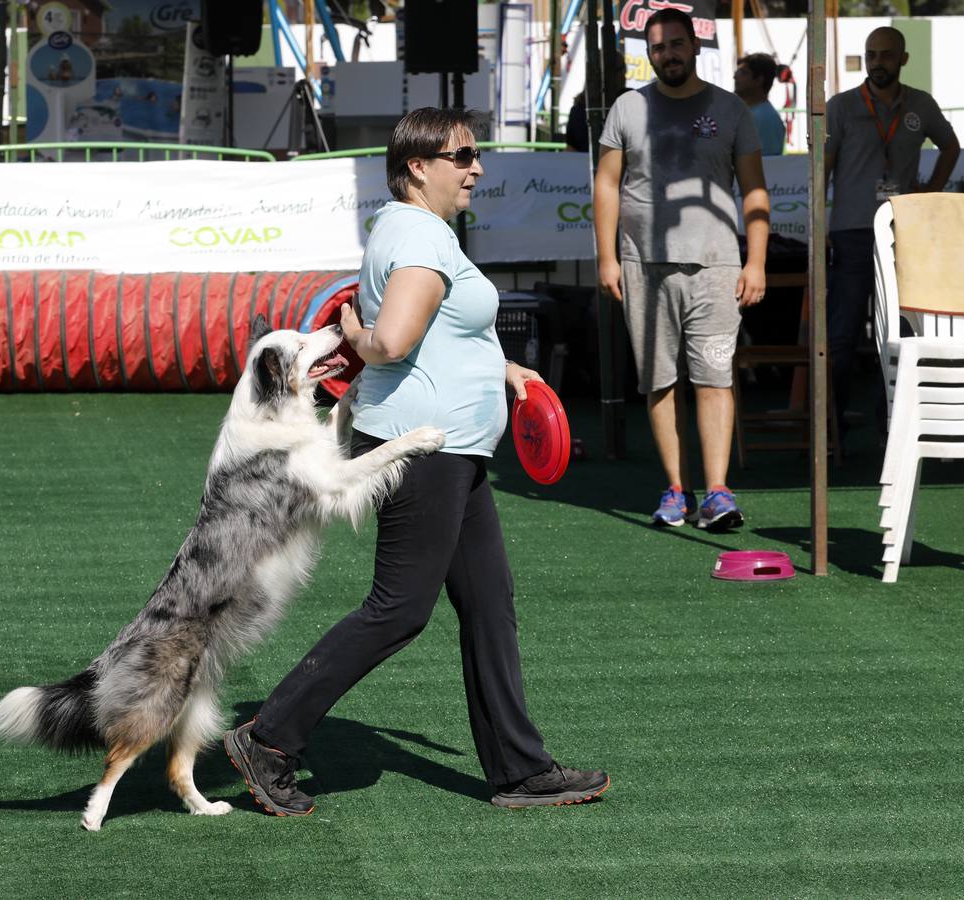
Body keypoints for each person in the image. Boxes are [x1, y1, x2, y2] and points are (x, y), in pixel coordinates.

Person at [224, 106, 609, 816]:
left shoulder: (417, 233)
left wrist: (507, 374)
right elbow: (393, 342)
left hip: (453, 448)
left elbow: (443, 335)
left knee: (489, 605)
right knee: (398, 609)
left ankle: (519, 769)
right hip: (424, 449)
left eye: (474, 154)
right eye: (462, 156)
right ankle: (270, 738)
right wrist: (354, 331)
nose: (476, 168)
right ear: (417, 168)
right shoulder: (422, 239)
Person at [593, 7, 770, 530]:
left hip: (717, 266)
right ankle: (675, 490)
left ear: (694, 46)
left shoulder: (731, 109)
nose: (667, 54)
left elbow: (755, 189)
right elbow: (606, 184)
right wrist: (606, 257)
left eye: (675, 44)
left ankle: (717, 492)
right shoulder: (628, 108)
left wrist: (756, 260)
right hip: (642, 267)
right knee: (659, 382)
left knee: (715, 378)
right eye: (657, 47)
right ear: (649, 55)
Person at [824, 26, 960, 437]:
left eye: (885, 55)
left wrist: (928, 193)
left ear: (903, 59)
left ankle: (896, 422)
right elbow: (822, 168)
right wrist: (820, 225)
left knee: (899, 331)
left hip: (904, 234)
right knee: (842, 333)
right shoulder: (842, 106)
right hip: (851, 231)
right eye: (871, 55)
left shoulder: (920, 104)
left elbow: (950, 146)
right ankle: (833, 424)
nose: (877, 62)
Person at [733, 53, 786, 156]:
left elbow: (766, 164)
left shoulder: (766, 118)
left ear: (758, 80)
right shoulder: (750, 113)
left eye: (743, 73)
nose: (735, 76)